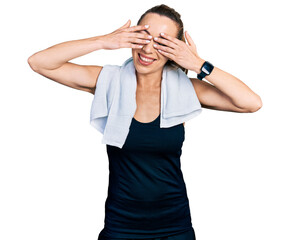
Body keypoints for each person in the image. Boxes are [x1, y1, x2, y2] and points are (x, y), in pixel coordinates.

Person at [27, 4, 262, 240]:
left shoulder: (185, 90)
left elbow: (250, 103)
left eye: (161, 43)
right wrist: (104, 41)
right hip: (121, 226)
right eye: (143, 37)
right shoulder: (109, 81)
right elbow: (39, 62)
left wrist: (197, 64)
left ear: (175, 49)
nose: (148, 49)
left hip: (175, 226)